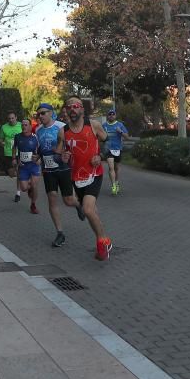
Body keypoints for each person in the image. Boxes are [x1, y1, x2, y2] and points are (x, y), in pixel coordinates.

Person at [64, 96, 113, 261]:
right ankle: (105, 239)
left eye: (76, 106)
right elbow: (59, 153)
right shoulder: (62, 131)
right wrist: (62, 157)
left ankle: (102, 243)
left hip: (94, 174)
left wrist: (100, 155)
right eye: (69, 106)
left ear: (82, 109)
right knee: (92, 212)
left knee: (88, 209)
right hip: (76, 177)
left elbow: (108, 143)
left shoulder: (94, 125)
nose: (72, 109)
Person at [36, 103, 84, 248]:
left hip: (63, 168)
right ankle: (60, 233)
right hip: (48, 169)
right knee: (52, 198)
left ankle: (78, 204)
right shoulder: (38, 130)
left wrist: (66, 154)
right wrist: (37, 156)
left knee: (68, 200)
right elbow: (41, 148)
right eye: (38, 114)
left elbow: (72, 145)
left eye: (43, 113)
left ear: (51, 113)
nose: (41, 116)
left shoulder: (62, 127)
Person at [14, 118, 42, 214]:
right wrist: (15, 159)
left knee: (34, 185)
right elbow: (15, 148)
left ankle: (33, 205)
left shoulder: (35, 137)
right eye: (22, 125)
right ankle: (29, 188)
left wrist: (39, 159)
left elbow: (40, 150)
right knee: (24, 188)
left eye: (26, 125)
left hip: (34, 165)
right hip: (23, 166)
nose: (23, 126)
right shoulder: (17, 137)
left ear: (30, 126)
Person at [101, 109, 130, 195]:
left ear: (115, 116)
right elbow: (99, 137)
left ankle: (116, 182)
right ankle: (113, 185)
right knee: (111, 167)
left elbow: (127, 137)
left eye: (113, 114)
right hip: (108, 149)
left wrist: (120, 132)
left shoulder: (120, 125)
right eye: (110, 114)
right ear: (107, 116)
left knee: (116, 168)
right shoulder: (104, 125)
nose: (111, 116)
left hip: (118, 149)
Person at [0, 111, 22, 199]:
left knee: (19, 172)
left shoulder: (21, 125)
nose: (11, 120)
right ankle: (22, 178)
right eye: (9, 119)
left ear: (16, 117)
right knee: (12, 174)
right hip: (8, 152)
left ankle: (18, 193)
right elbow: (0, 139)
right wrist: (3, 143)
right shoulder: (4, 127)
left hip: (20, 152)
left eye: (12, 118)